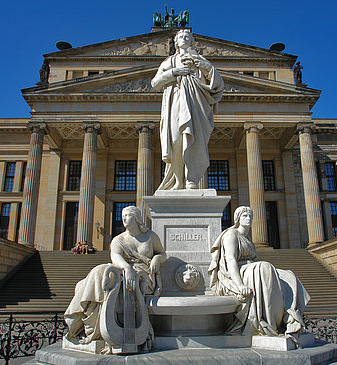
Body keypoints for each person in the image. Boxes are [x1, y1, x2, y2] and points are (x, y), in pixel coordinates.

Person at [64, 206, 166, 347]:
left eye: (127, 215)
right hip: (124, 270)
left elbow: (162, 253)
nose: (123, 218)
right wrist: (126, 267)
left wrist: (157, 259)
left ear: (136, 218)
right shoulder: (118, 240)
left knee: (104, 275)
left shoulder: (150, 236)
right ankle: (80, 321)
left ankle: (83, 323)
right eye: (122, 215)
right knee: (100, 272)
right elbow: (115, 256)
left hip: (144, 276)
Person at [208, 206, 310, 342]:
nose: (248, 218)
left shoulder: (248, 239)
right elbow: (230, 260)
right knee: (264, 267)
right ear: (237, 218)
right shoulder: (231, 235)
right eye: (245, 216)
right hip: (235, 274)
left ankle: (289, 317)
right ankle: (267, 322)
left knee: (287, 275)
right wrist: (239, 285)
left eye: (250, 216)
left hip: (251, 270)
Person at [152, 29, 224, 190]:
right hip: (175, 103)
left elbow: (217, 85)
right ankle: (178, 181)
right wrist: (174, 72)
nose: (184, 39)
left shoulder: (201, 60)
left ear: (192, 41)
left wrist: (205, 67)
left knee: (194, 142)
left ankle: (192, 179)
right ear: (175, 42)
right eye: (180, 37)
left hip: (196, 105)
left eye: (187, 37)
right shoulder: (169, 62)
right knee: (176, 141)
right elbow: (155, 83)